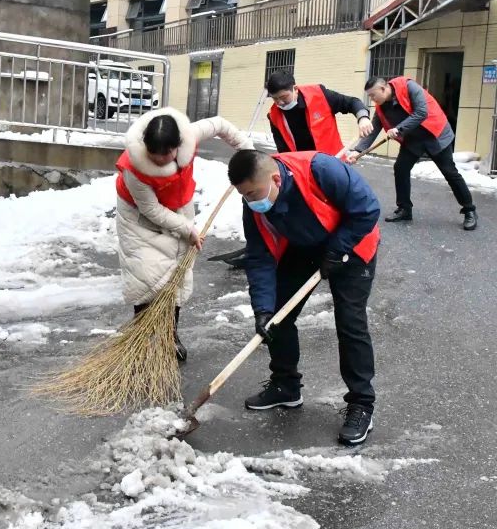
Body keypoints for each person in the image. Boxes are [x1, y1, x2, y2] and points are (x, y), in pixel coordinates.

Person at [228, 149, 381, 446]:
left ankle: (362, 404)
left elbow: (367, 208)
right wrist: (262, 309)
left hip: (352, 244)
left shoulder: (320, 169)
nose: (250, 200)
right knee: (277, 316)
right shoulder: (255, 205)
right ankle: (286, 386)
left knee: (350, 323)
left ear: (274, 178)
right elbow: (259, 257)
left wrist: (338, 249)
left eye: (252, 193)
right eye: (243, 195)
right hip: (304, 246)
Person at [116, 107, 254, 364]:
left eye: (165, 154)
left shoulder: (189, 134)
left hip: (179, 207)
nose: (159, 160)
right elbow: (150, 208)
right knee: (145, 275)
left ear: (177, 145)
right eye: (153, 155)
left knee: (178, 273)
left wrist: (247, 149)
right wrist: (187, 229)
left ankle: (170, 335)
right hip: (139, 216)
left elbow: (220, 124)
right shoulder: (132, 167)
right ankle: (140, 336)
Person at [213, 71, 372, 270]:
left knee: (337, 209)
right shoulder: (275, 115)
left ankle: (344, 249)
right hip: (301, 170)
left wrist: (363, 117)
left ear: (295, 89)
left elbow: (352, 102)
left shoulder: (320, 94)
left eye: (284, 97)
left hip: (330, 165)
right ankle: (268, 250)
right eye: (275, 99)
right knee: (293, 211)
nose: (280, 103)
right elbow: (284, 150)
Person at [350, 76, 478, 231]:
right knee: (400, 169)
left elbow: (421, 112)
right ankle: (404, 209)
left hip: (435, 134)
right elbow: (374, 129)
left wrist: (398, 129)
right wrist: (358, 151)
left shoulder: (409, 87)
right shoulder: (381, 107)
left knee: (450, 173)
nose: (372, 99)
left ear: (383, 89)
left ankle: (469, 210)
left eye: (373, 95)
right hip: (413, 140)